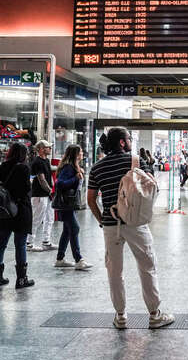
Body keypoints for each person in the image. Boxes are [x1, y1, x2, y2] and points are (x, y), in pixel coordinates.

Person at [87, 127, 174, 330]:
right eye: (129, 138)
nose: (131, 142)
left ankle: (120, 316)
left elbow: (91, 199)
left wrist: (102, 219)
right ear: (122, 143)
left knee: (114, 271)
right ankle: (154, 315)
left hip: (110, 224)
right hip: (136, 223)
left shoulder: (97, 167)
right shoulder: (136, 162)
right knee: (147, 266)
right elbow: (151, 188)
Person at [0, 143, 35, 288]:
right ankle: (21, 279)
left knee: (1, 244)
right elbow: (26, 188)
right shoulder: (24, 167)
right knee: (20, 245)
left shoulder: (3, 166)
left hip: (4, 210)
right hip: (21, 210)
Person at [54, 145, 92, 270]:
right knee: (74, 228)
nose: (82, 153)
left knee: (67, 231)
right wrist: (75, 177)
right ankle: (79, 260)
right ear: (75, 154)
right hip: (66, 205)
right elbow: (60, 183)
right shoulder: (68, 167)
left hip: (69, 204)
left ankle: (60, 258)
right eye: (80, 152)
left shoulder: (73, 167)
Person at [27, 140, 55, 252]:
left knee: (49, 218)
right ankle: (29, 243)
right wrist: (51, 191)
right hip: (39, 195)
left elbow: (48, 174)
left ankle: (46, 241)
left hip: (46, 195)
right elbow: (42, 180)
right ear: (42, 149)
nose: (50, 149)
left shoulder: (46, 160)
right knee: (36, 219)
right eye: (48, 147)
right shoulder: (38, 162)